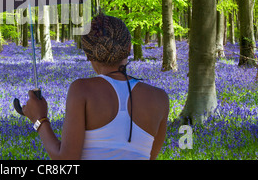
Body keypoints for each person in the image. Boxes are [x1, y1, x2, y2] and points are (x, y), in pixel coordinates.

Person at [22, 13, 169, 160]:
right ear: (129, 47)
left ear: (88, 53)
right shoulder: (160, 98)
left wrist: (39, 119)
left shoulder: (82, 90)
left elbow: (66, 160)